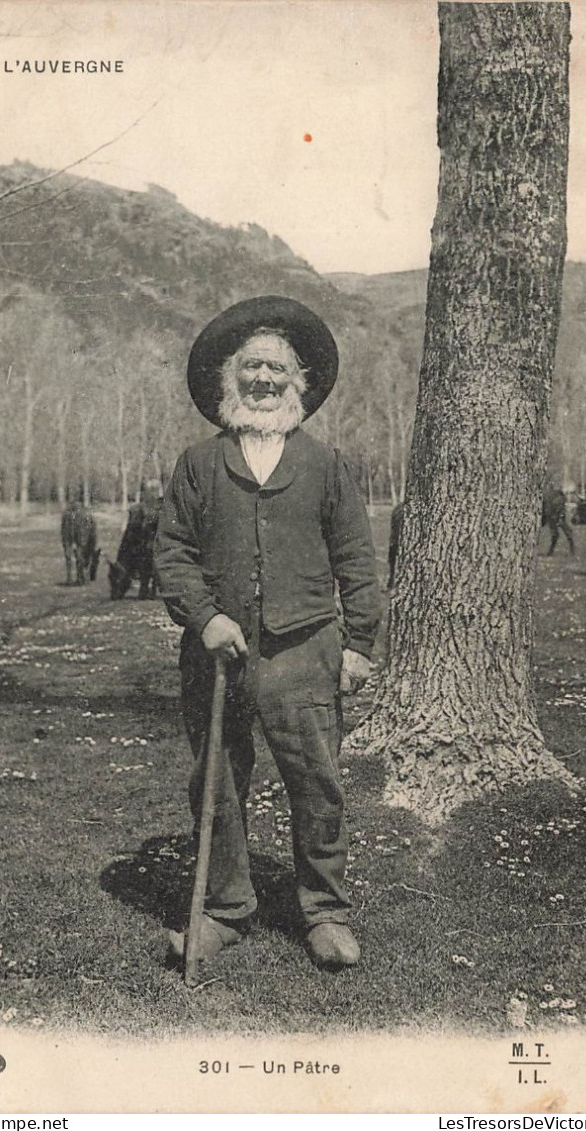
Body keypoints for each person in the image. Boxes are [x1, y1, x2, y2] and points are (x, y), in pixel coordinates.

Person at [154, 295, 380, 969]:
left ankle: (326, 912)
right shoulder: (198, 464)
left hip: (305, 650)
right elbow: (172, 554)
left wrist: (360, 644)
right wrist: (207, 617)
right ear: (228, 381)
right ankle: (224, 910)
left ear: (298, 385)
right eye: (250, 368)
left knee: (316, 781)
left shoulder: (325, 464)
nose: (263, 380)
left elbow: (356, 560)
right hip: (216, 656)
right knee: (217, 782)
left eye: (276, 370)